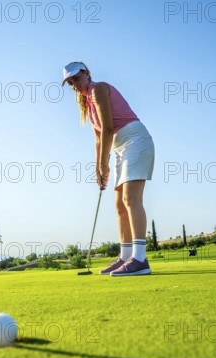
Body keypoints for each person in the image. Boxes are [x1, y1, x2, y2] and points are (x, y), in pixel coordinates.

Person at [62, 62, 155, 276]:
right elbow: (98, 139)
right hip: (120, 147)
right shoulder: (87, 103)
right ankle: (125, 257)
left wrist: (104, 163)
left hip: (134, 139)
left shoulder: (99, 88)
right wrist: (98, 168)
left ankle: (140, 259)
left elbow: (109, 128)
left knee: (131, 199)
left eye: (76, 79)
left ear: (86, 73)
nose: (74, 85)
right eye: (70, 83)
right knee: (120, 205)